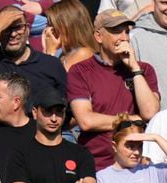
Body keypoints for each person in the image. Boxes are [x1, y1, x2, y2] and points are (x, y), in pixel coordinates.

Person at [68, 9, 160, 171]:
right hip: (97, 164)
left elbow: (150, 113)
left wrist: (135, 69)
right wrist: (135, 119)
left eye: (126, 32)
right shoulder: (81, 71)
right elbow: (86, 121)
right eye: (116, 32)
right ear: (98, 36)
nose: (124, 37)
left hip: (136, 163)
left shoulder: (144, 70)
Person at [0, 5, 67, 117]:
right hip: (0, 132)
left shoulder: (51, 64)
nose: (13, 34)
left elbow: (66, 111)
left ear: (28, 28)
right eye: (6, 28)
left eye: (18, 27)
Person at [42, 0, 97, 71]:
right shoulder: (65, 52)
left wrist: (50, 52)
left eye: (52, 25)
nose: (49, 30)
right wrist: (45, 49)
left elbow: (54, 78)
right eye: (48, 24)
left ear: (68, 26)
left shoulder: (83, 53)